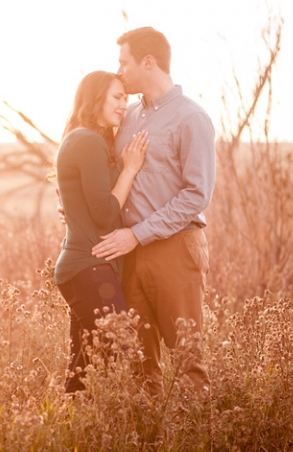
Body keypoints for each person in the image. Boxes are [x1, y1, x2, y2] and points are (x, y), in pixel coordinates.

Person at [91, 27, 216, 398]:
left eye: (123, 62)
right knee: (139, 363)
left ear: (148, 62)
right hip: (128, 254)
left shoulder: (191, 119)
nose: (119, 70)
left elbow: (196, 195)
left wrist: (138, 234)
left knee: (187, 360)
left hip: (174, 248)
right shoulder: (125, 116)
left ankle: (196, 449)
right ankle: (151, 449)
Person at [54, 70, 148, 393]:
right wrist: (131, 170)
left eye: (126, 97)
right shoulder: (87, 141)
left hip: (83, 268)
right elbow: (105, 212)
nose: (124, 104)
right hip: (88, 269)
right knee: (125, 351)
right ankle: (122, 434)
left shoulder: (84, 139)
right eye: (117, 97)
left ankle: (74, 439)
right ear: (96, 98)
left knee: (83, 370)